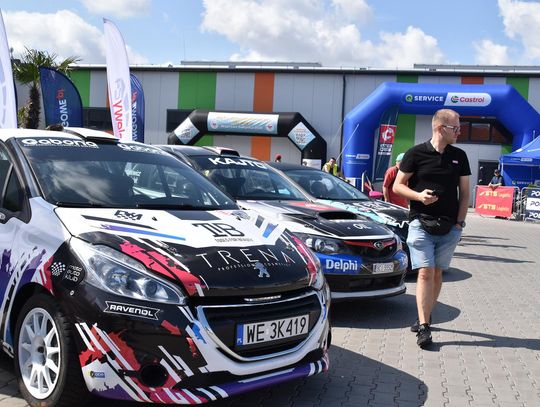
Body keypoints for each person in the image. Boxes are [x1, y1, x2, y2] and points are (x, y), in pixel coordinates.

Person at [393, 108, 471, 349]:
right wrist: (419, 196)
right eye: (455, 128)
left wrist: (459, 223)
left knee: (437, 273)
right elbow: (397, 186)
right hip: (421, 222)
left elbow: (465, 193)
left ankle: (424, 315)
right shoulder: (415, 153)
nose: (459, 132)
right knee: (425, 272)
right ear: (440, 128)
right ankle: (425, 327)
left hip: (449, 226)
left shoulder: (459, 156)